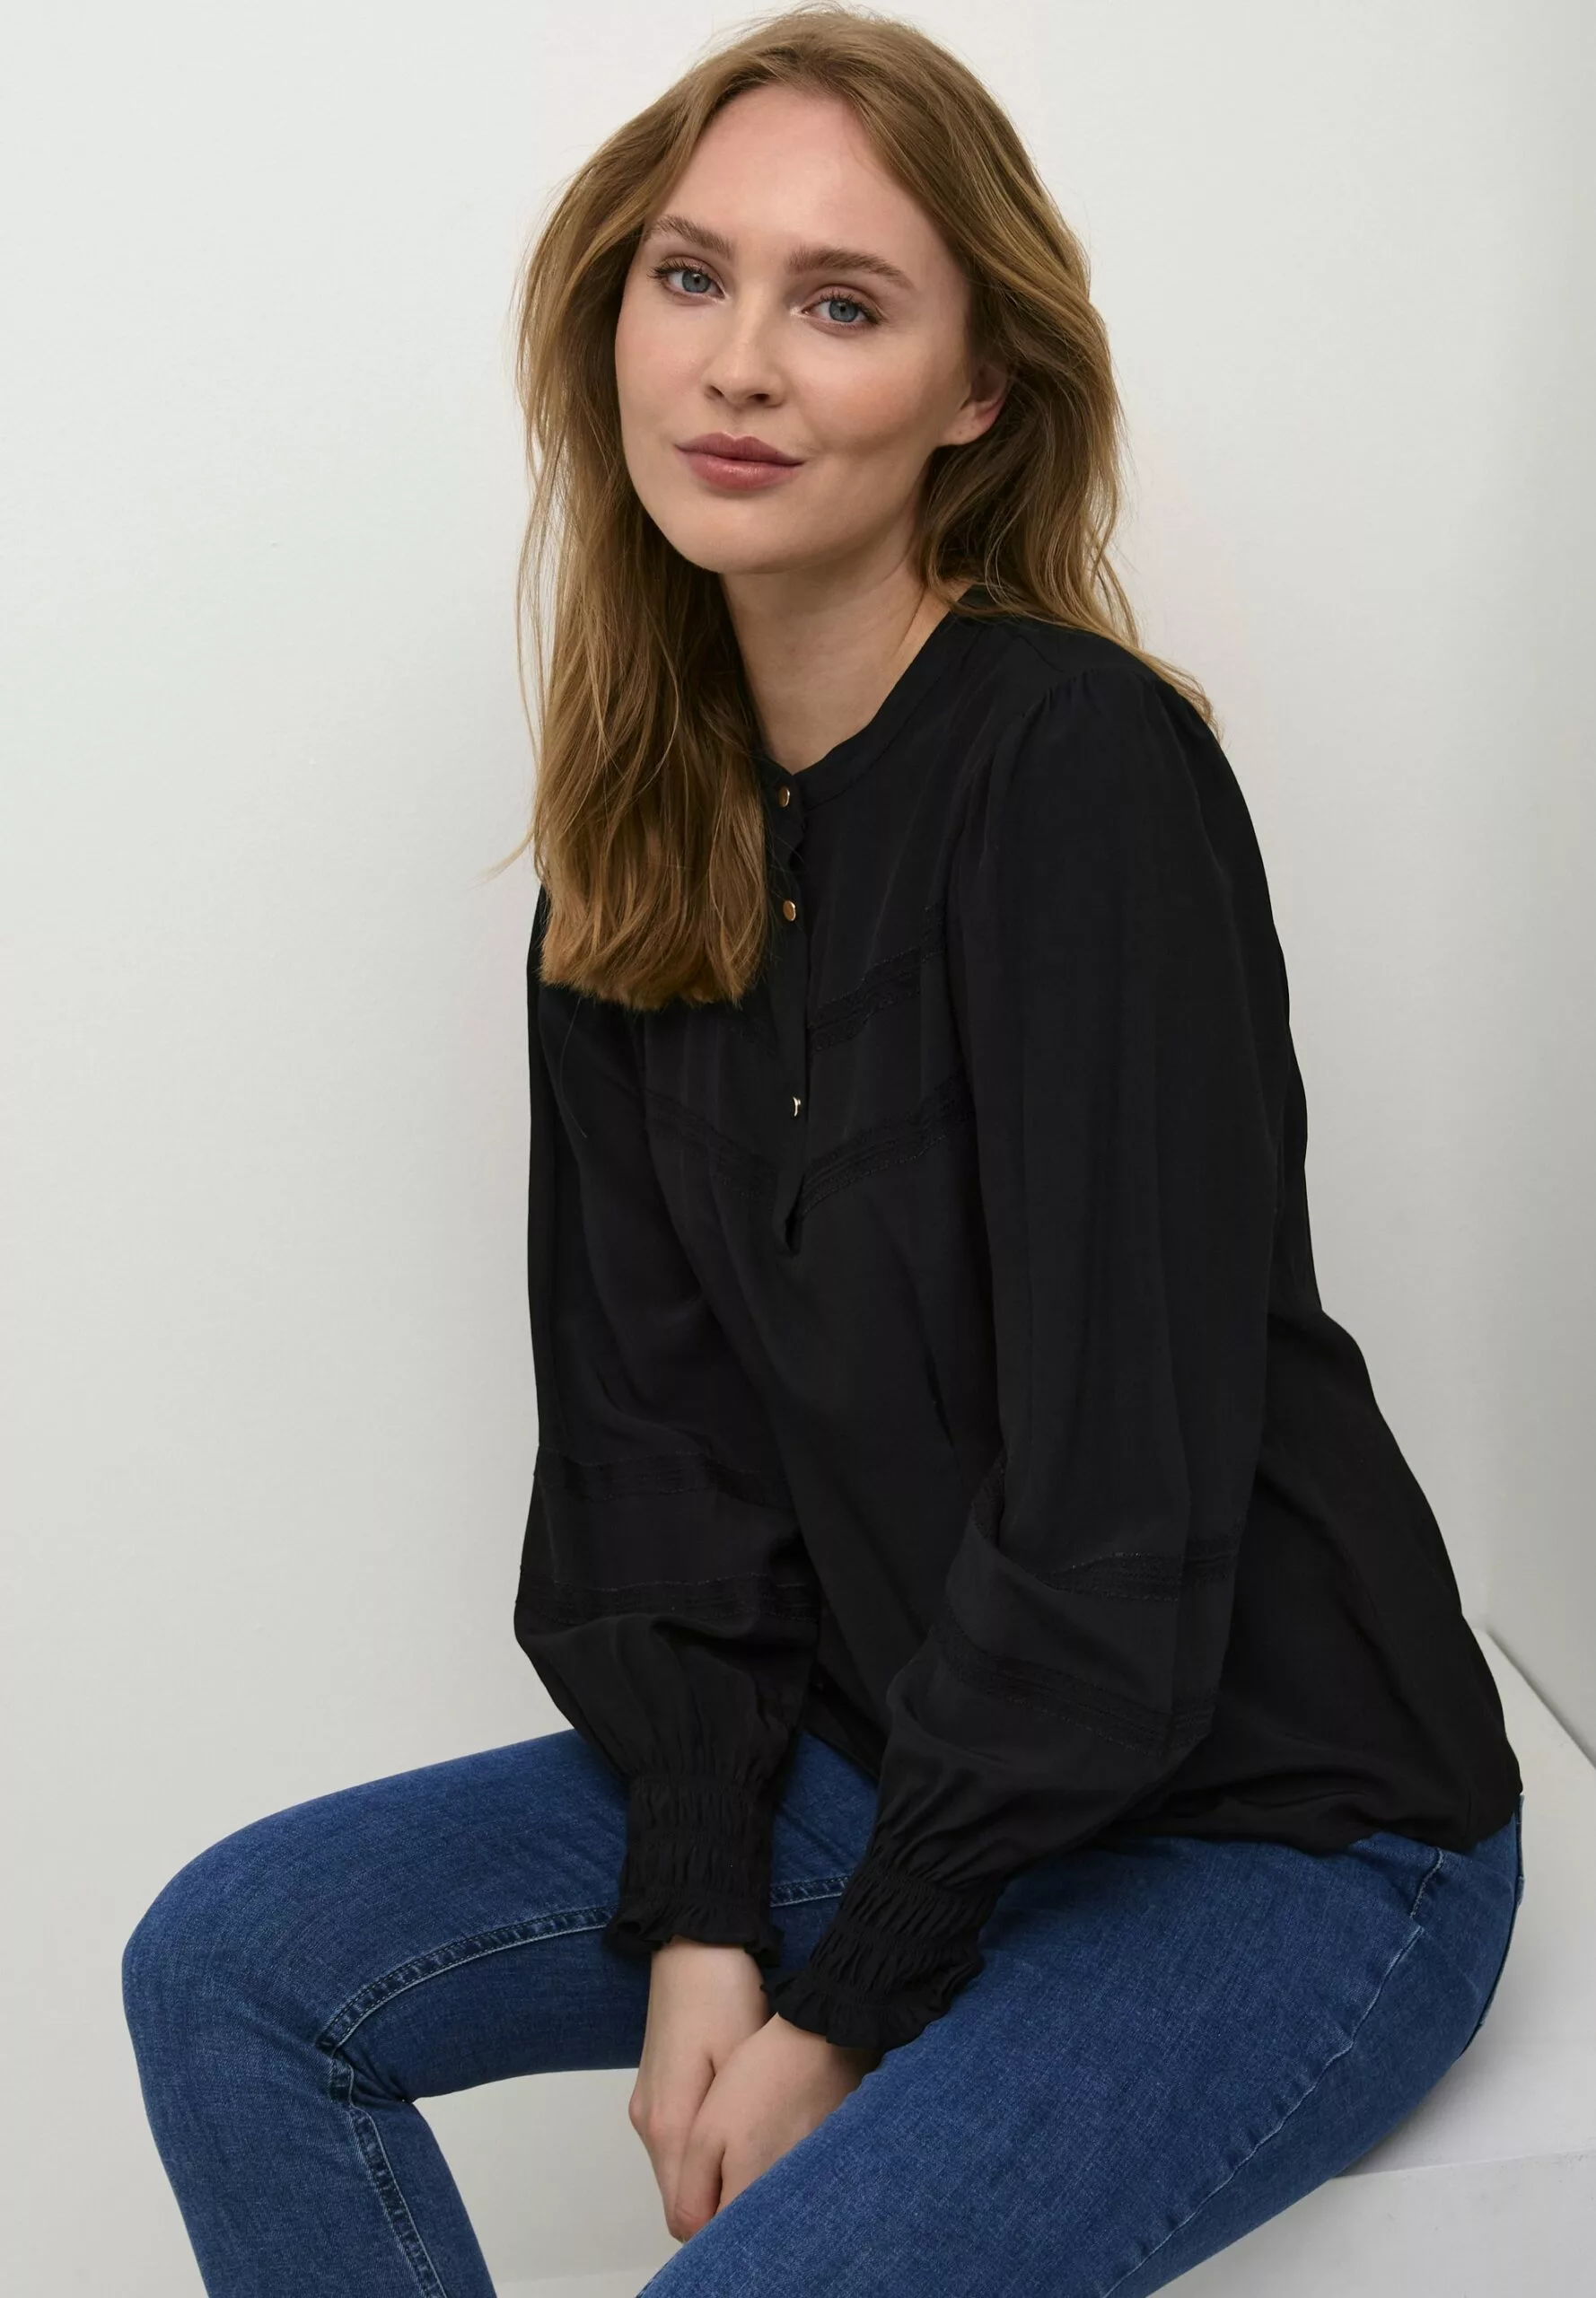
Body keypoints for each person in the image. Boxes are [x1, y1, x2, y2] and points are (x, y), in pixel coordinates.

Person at [120, 10, 1526, 2294]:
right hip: (885, 1752)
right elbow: (658, 1456)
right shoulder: (635, 848)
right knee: (235, 1966)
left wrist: (847, 1993)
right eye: (691, 276)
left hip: (1274, 1824)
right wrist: (701, 1905)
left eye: (842, 303)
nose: (741, 363)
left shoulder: (1073, 775)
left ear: (978, 391)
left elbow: (1116, 1511)